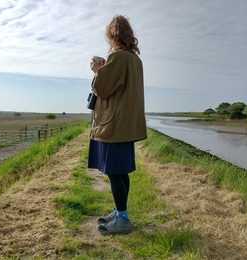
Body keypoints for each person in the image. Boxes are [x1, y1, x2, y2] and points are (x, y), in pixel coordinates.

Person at [88, 15, 147, 235]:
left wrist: (97, 70)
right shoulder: (135, 59)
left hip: (114, 123)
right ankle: (119, 211)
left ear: (113, 36)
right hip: (127, 124)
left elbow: (102, 88)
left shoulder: (118, 57)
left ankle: (122, 219)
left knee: (114, 172)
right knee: (121, 172)